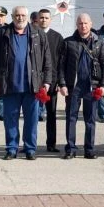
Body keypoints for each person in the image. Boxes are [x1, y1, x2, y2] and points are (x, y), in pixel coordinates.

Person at [0, 6, 55, 160]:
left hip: (32, 86)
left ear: (28, 16)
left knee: (32, 120)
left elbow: (47, 60)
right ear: (12, 16)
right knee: (10, 119)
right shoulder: (1, 34)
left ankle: (30, 148)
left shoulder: (38, 34)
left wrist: (47, 81)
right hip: (9, 85)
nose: (20, 18)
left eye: (23, 15)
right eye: (17, 15)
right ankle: (11, 149)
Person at [58, 13, 104, 159]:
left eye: (86, 23)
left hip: (92, 87)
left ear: (91, 24)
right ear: (77, 25)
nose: (83, 26)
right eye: (80, 23)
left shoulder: (99, 42)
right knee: (71, 118)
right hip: (73, 86)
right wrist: (62, 84)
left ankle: (89, 149)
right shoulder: (68, 42)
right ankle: (71, 149)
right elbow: (61, 66)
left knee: (90, 119)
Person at [35, 9, 65, 151]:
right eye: (41, 17)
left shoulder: (57, 37)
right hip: (34, 81)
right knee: (31, 114)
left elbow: (61, 62)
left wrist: (59, 81)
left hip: (51, 82)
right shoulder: (31, 34)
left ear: (50, 19)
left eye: (46, 18)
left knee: (51, 114)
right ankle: (30, 144)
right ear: (37, 19)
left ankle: (51, 144)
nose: (44, 20)